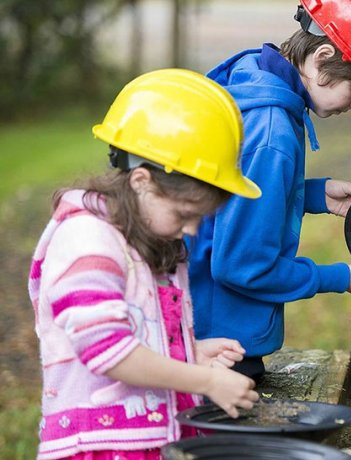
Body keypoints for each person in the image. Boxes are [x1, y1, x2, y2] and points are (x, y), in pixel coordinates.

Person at [186, 0, 351, 381]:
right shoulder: (272, 132)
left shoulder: (255, 76)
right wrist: (340, 278)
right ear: (322, 57)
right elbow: (243, 266)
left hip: (200, 324)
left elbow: (231, 198)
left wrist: (313, 194)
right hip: (218, 344)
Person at [28, 68, 261, 460]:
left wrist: (190, 351)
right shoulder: (87, 240)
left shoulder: (148, 236)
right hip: (102, 445)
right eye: (185, 213)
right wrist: (203, 379)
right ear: (141, 181)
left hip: (150, 440)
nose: (189, 230)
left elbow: (135, 327)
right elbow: (108, 350)